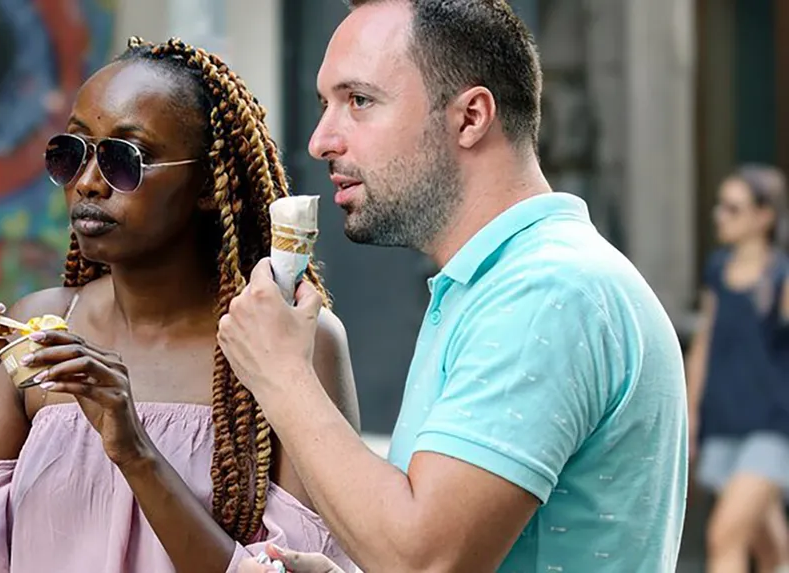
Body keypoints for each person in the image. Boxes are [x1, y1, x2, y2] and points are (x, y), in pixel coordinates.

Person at [221, 1, 688, 572]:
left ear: (470, 117)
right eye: (325, 104)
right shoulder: (498, 283)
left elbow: (426, 560)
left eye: (359, 101)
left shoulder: (545, 291)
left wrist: (281, 374)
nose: (321, 141)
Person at [0, 37, 360, 573]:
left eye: (123, 160)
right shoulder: (44, 330)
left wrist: (134, 450)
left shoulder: (290, 340)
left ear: (208, 181)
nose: (87, 182)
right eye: (71, 153)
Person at [686, 165, 789, 573]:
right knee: (769, 547)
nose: (719, 215)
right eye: (720, 206)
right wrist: (691, 414)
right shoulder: (717, 269)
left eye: (732, 208)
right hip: (724, 421)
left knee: (724, 535)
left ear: (763, 216)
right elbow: (704, 346)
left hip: (772, 427)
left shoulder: (781, 276)